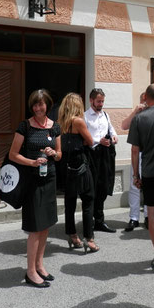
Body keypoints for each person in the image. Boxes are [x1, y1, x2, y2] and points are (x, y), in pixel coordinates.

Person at [8, 89, 61, 288]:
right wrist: (32, 162)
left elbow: (60, 154)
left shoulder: (54, 126)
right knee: (35, 228)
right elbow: (13, 154)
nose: (38, 108)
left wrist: (53, 152)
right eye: (35, 104)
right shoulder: (25, 126)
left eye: (41, 104)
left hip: (49, 180)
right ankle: (30, 271)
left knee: (45, 225)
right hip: (32, 181)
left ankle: (39, 265)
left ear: (47, 104)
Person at [127, 84, 154, 273]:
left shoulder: (140, 118)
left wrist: (136, 174)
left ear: (145, 98)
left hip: (150, 173)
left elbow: (135, 150)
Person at [58, 93, 99, 253]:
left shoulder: (60, 122)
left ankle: (73, 235)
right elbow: (90, 141)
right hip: (80, 163)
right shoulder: (78, 121)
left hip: (66, 164)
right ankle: (89, 238)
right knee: (88, 200)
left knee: (70, 202)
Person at [85, 88, 118, 233]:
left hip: (105, 155)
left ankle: (99, 220)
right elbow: (85, 139)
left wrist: (114, 135)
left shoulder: (105, 114)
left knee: (104, 186)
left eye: (102, 101)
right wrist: (99, 141)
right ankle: (91, 220)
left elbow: (110, 129)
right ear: (91, 100)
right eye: (98, 101)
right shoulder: (85, 117)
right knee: (92, 188)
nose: (101, 104)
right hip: (92, 155)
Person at [121, 92, 148, 232]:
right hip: (137, 153)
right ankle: (134, 217)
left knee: (150, 186)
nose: (144, 103)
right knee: (134, 186)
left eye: (146, 101)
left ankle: (149, 216)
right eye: (142, 101)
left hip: (151, 154)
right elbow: (123, 126)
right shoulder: (137, 115)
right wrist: (134, 112)